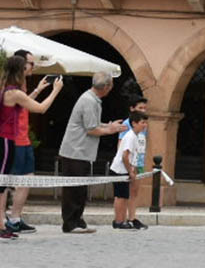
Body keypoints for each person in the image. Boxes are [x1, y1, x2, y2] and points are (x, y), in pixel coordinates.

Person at [1, 54, 63, 239]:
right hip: (6, 139)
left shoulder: (10, 89)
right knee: (2, 183)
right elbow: (41, 108)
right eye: (28, 65)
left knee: (4, 183)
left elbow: (22, 105)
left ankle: (6, 223)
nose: (31, 68)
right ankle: (2, 224)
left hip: (9, 140)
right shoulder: (14, 92)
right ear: (20, 70)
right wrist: (55, 90)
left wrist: (37, 90)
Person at [58, 71, 122, 234]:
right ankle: (70, 223)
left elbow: (92, 123)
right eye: (111, 85)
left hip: (81, 152)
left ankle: (77, 220)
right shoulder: (89, 101)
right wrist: (111, 130)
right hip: (75, 151)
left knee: (80, 188)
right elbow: (91, 129)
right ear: (107, 86)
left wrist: (109, 126)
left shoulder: (92, 99)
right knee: (74, 188)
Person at [111, 111, 148, 230]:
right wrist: (130, 171)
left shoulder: (135, 136)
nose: (145, 125)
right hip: (120, 170)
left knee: (124, 196)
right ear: (134, 123)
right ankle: (119, 221)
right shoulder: (130, 136)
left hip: (124, 170)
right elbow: (125, 156)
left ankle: (121, 220)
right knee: (120, 196)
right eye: (142, 122)